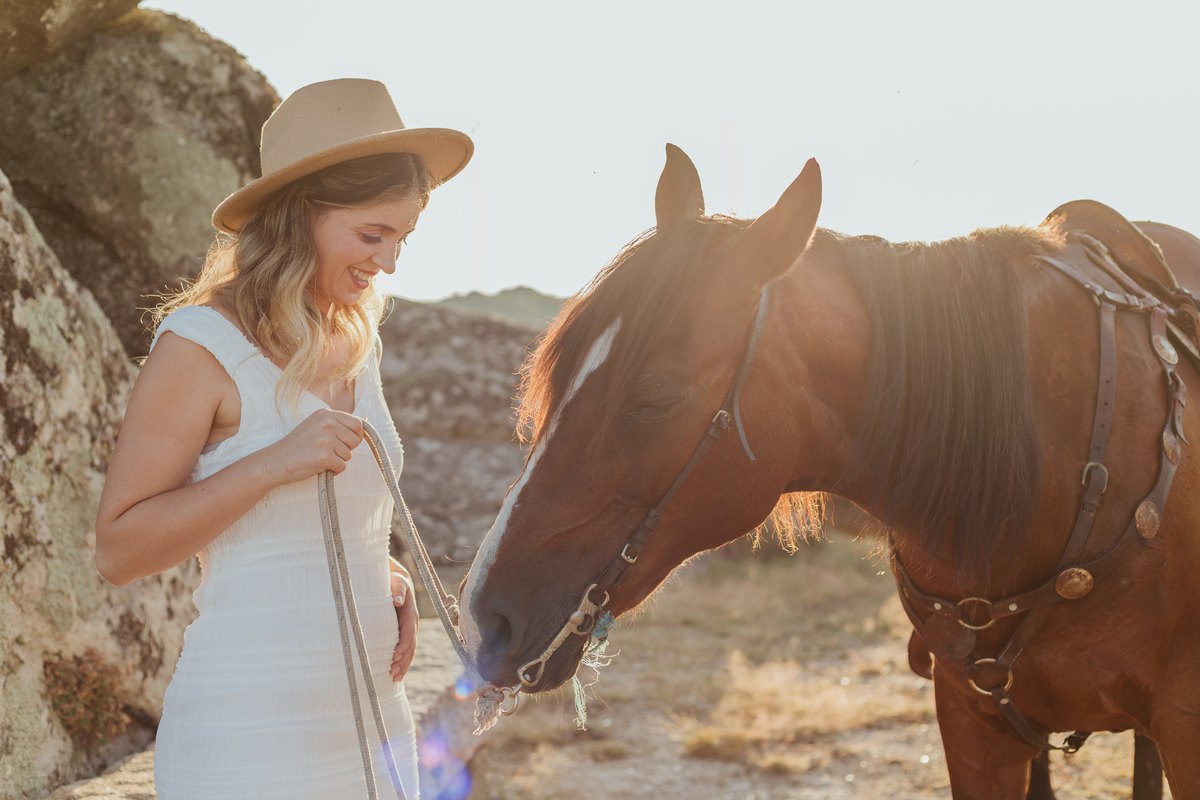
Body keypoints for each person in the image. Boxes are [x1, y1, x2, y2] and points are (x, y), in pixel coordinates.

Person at [94, 78, 473, 799]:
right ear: (301, 217)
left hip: (374, 727)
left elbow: (314, 529)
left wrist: (380, 577)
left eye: (401, 238)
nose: (389, 262)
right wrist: (272, 465)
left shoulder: (357, 339)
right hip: (246, 739)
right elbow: (119, 550)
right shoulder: (199, 345)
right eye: (372, 235)